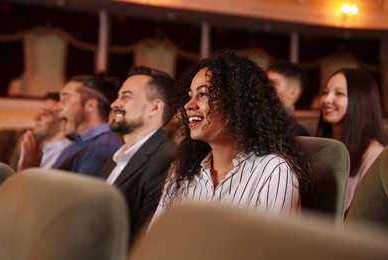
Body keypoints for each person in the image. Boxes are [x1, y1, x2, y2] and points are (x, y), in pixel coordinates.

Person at [151, 50, 310, 224]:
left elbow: (271, 250)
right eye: (190, 96)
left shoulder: (272, 171)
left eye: (203, 94)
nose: (188, 105)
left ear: (235, 103)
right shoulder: (180, 171)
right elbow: (155, 240)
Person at [98, 66, 178, 245]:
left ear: (155, 108)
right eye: (118, 96)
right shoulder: (113, 160)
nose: (114, 104)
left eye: (126, 96)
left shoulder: (167, 160)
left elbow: (142, 241)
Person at [316, 68, 387, 213]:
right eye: (325, 92)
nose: (327, 99)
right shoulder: (323, 145)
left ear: (360, 101)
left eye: (339, 93)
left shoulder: (374, 155)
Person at [51, 75, 123, 176]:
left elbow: (80, 192)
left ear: (90, 105)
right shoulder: (78, 143)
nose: (56, 107)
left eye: (65, 99)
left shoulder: (101, 150)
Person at [17, 92, 71, 170]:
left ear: (63, 121)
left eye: (45, 113)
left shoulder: (68, 155)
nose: (36, 118)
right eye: (39, 112)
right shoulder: (30, 146)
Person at [267, 61, 310, 136]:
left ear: (293, 92)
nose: (265, 87)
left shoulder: (299, 134)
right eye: (264, 82)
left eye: (273, 83)